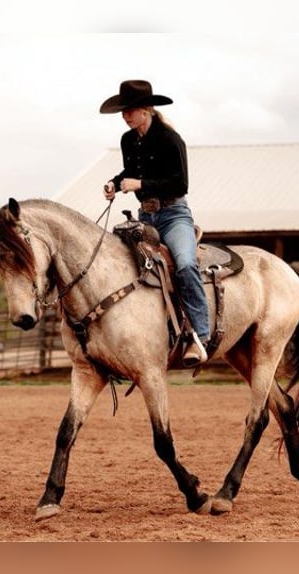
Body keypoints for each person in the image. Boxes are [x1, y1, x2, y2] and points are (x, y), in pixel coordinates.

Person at [100, 79, 210, 367]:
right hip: (146, 217)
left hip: (174, 215)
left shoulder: (171, 140)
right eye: (124, 111)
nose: (125, 116)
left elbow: (180, 183)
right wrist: (114, 183)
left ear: (147, 109)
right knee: (122, 267)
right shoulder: (129, 140)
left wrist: (140, 183)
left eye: (130, 110)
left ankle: (201, 333)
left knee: (185, 264)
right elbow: (130, 171)